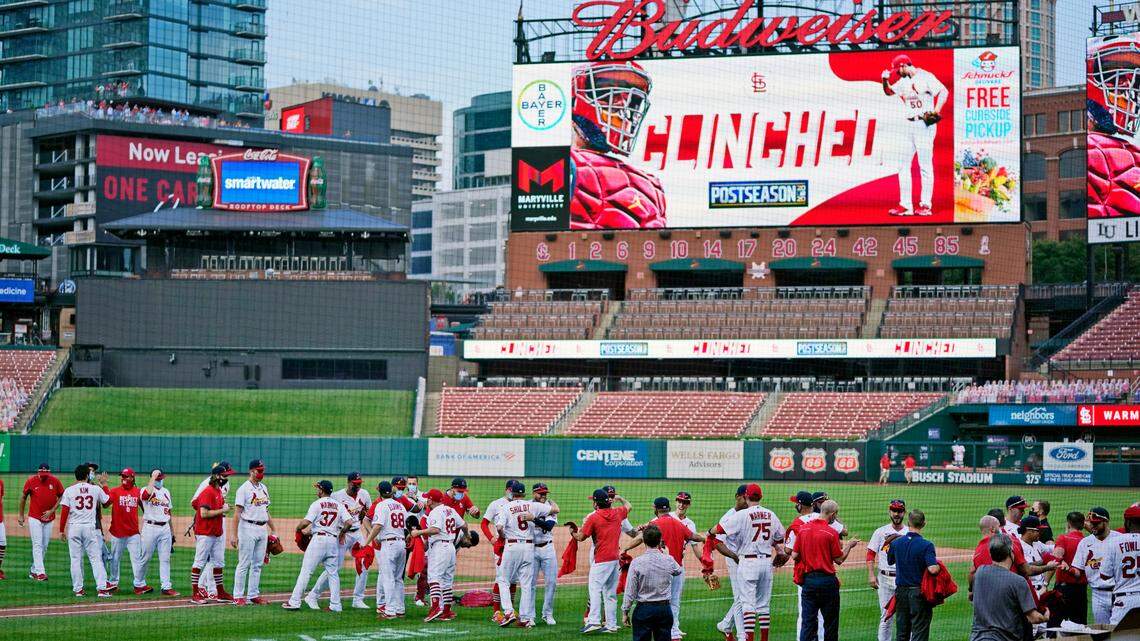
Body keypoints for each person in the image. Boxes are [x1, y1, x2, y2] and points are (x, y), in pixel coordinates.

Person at [569, 60, 666, 229]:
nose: (623, 107)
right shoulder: (562, 165)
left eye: (631, 101)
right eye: (608, 95)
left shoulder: (652, 185)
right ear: (574, 101)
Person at [710, 484, 785, 641]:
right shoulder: (771, 514)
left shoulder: (742, 515)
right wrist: (778, 551)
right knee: (763, 605)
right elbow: (779, 538)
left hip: (748, 562)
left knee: (747, 604)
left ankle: (746, 638)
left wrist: (710, 532)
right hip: (766, 563)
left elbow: (718, 530)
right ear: (761, 497)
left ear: (746, 497)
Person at [625, 496, 702, 640]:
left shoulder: (654, 523)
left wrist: (624, 549)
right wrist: (707, 538)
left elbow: (639, 538)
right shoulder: (678, 523)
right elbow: (693, 536)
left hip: (659, 570)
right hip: (677, 568)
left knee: (658, 599)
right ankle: (674, 631)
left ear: (655, 508)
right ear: (669, 508)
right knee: (674, 601)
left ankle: (669, 630)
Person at [880, 53, 947, 217]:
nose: (897, 72)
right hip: (908, 124)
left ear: (904, 65)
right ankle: (906, 206)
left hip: (924, 124)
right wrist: (884, 80)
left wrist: (936, 111)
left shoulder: (926, 76)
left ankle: (925, 205)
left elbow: (944, 91)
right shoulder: (903, 82)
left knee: (925, 166)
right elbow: (889, 92)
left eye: (898, 69)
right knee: (903, 165)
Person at [792, 500, 859, 641]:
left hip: (808, 581)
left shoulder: (803, 529)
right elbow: (839, 560)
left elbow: (794, 555)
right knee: (830, 624)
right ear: (833, 514)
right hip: (827, 582)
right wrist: (849, 546)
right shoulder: (831, 532)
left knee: (807, 623)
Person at [282, 480, 353, 612]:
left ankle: (294, 602)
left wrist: (298, 528)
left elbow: (306, 523)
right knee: (333, 574)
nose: (317, 491)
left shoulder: (317, 504)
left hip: (318, 541)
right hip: (333, 542)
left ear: (321, 490)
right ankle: (336, 605)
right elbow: (349, 522)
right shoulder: (339, 505)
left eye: (318, 489)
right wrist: (342, 532)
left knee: (306, 572)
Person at [495, 480, 558, 627]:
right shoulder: (532, 506)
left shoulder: (506, 507)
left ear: (512, 493)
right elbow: (555, 509)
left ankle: (509, 611)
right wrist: (552, 504)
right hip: (530, 548)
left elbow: (498, 527)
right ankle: (525, 618)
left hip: (512, 546)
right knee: (527, 583)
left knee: (503, 579)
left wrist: (503, 535)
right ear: (524, 494)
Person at [571, 488, 632, 634]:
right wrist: (621, 498)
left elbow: (581, 537)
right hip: (615, 559)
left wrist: (572, 532)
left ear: (595, 503)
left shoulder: (594, 517)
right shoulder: (618, 513)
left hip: (601, 560)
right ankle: (611, 625)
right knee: (610, 593)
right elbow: (629, 506)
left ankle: (593, 621)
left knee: (595, 589)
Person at [308, 472, 371, 610]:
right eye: (355, 484)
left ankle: (358, 599)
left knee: (365, 563)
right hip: (342, 534)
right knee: (334, 568)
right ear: (348, 483)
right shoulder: (337, 496)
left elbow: (368, 514)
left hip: (357, 533)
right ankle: (313, 595)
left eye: (360, 483)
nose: (358, 486)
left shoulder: (364, 494)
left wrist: (366, 531)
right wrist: (340, 533)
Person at [969, 535, 1049, 641]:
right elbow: (1033, 617)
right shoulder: (1018, 581)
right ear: (1011, 552)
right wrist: (1045, 617)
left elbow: (972, 575)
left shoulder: (980, 573)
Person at [409, 488, 469, 622]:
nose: (427, 501)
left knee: (434, 578)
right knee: (447, 580)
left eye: (428, 499)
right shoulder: (450, 510)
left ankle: (435, 608)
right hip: (451, 548)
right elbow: (464, 525)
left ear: (431, 500)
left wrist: (418, 533)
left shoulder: (435, 512)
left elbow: (435, 530)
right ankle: (446, 611)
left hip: (440, 548)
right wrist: (467, 536)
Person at [621, 525, 683, 641]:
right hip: (664, 610)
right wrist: (667, 555)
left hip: (644, 610)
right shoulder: (668, 560)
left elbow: (630, 591)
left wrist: (625, 611)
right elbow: (678, 571)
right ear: (660, 541)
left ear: (643, 540)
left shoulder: (637, 562)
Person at [59, 464, 112, 597]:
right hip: (89, 528)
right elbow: (107, 501)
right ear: (87, 475)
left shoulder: (69, 490)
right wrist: (104, 485)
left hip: (74, 528)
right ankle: (102, 588)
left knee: (75, 559)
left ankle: (78, 590)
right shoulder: (94, 489)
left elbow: (65, 512)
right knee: (95, 559)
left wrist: (61, 530)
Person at [888, 510, 940, 641]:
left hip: (901, 593)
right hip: (918, 594)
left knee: (902, 632)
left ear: (908, 522)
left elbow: (890, 561)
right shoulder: (927, 545)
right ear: (924, 524)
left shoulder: (896, 543)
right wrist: (939, 566)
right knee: (920, 632)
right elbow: (933, 569)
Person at [231, 459, 276, 606]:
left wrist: (274, 529)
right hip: (247, 528)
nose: (262, 473)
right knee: (244, 563)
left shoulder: (264, 488)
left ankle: (253, 595)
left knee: (257, 564)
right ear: (251, 471)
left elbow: (266, 511)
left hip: (262, 529)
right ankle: (238, 596)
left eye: (263, 470)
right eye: (259, 470)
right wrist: (234, 534)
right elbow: (237, 513)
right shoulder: (243, 489)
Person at [361, 480, 408, 618]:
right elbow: (406, 527)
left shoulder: (381, 505)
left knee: (388, 578)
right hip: (401, 544)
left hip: (389, 545)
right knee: (398, 579)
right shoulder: (400, 505)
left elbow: (377, 526)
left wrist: (367, 541)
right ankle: (400, 609)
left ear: (379, 491)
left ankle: (390, 611)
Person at [190, 464, 234, 604]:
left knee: (219, 562)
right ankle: (195, 593)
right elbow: (203, 513)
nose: (227, 478)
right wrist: (223, 510)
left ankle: (220, 592)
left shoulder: (218, 491)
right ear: (216, 476)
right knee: (199, 562)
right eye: (225, 475)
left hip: (216, 532)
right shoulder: (207, 491)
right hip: (205, 533)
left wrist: (223, 507)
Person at [1072, 506, 1122, 625]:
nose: (1093, 527)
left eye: (1096, 523)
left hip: (1119, 593)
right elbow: (1078, 570)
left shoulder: (1120, 539)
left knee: (1121, 631)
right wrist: (1069, 569)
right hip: (1098, 594)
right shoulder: (1085, 543)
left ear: (1106, 522)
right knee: (1101, 631)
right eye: (1091, 523)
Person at [867, 500, 908, 641]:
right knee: (885, 617)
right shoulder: (880, 532)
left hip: (903, 579)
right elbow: (870, 554)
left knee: (905, 616)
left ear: (904, 512)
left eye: (899, 511)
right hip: (884, 579)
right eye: (894, 510)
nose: (896, 514)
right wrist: (871, 575)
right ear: (889, 511)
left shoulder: (909, 532)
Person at [715, 485, 749, 641]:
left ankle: (726, 624)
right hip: (734, 559)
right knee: (739, 597)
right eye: (745, 497)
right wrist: (734, 556)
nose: (748, 500)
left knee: (748, 596)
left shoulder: (750, 514)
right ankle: (742, 636)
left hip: (748, 560)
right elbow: (718, 542)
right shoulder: (728, 517)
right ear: (737, 496)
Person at [106, 468, 148, 594]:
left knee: (137, 559)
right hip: (117, 532)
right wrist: (104, 486)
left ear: (132, 478)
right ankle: (113, 583)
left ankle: (139, 584)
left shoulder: (138, 492)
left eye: (126, 476)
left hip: (133, 533)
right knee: (114, 559)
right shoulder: (115, 491)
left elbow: (146, 509)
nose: (123, 479)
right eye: (122, 476)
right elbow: (106, 504)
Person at [20, 462, 63, 581]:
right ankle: (41, 573)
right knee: (37, 544)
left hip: (49, 519)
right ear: (38, 472)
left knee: (44, 546)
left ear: (49, 472)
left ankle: (34, 570)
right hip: (34, 517)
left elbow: (61, 496)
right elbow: (23, 497)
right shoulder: (31, 481)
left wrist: (52, 510)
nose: (43, 475)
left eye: (45, 473)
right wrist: (21, 515)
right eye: (41, 473)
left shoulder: (55, 481)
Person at [483, 479, 518, 623]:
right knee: (500, 578)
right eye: (511, 489)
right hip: (501, 546)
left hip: (515, 546)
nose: (512, 492)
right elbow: (484, 523)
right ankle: (496, 611)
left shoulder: (520, 504)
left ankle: (510, 610)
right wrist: (491, 538)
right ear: (506, 489)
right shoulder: (496, 504)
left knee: (514, 579)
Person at [139, 469, 178, 596]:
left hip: (165, 528)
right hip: (150, 527)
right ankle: (139, 583)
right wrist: (153, 477)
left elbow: (169, 512)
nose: (160, 480)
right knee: (145, 557)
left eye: (161, 478)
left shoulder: (166, 492)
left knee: (165, 559)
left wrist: (172, 531)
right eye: (157, 478)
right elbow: (145, 496)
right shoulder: (145, 489)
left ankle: (166, 586)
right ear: (152, 478)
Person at [1099, 504, 1140, 626]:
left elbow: (1104, 575)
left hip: (1125, 601)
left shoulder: (1114, 542)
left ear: (1127, 523)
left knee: (1119, 636)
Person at [1051, 511, 1088, 625]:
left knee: (1055, 624)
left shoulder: (1064, 538)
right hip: (1081, 590)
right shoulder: (1087, 541)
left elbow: (1056, 557)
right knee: (1079, 624)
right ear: (1083, 525)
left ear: (1068, 524)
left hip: (1064, 589)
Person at [531, 482, 560, 626]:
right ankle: (530, 615)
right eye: (540, 493)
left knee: (552, 582)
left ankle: (547, 614)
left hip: (547, 548)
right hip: (530, 549)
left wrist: (533, 519)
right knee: (530, 584)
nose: (543, 496)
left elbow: (548, 526)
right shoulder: (527, 506)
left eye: (545, 493)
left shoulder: (550, 507)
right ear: (533, 493)